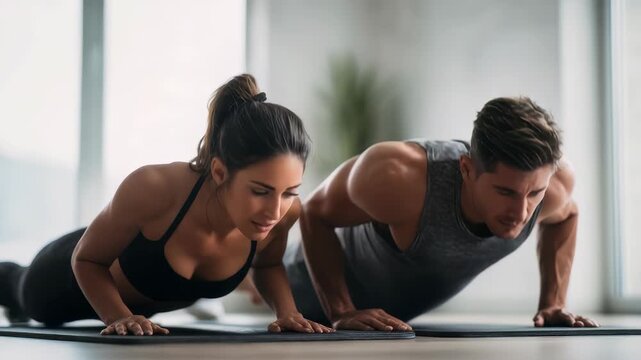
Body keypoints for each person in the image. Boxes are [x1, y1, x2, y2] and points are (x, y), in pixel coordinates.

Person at [0, 74, 333, 335]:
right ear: (219, 172)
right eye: (260, 191)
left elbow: (267, 265)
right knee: (14, 286)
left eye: (289, 191)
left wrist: (288, 313)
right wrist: (120, 318)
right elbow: (86, 259)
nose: (276, 210)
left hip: (142, 315)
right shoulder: (154, 187)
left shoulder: (286, 214)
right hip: (60, 284)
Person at [285, 96, 598, 331]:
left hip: (382, 315)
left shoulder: (555, 186)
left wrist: (553, 303)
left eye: (534, 194)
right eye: (505, 192)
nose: (521, 212)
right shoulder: (396, 175)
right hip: (295, 283)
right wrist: (341, 310)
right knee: (251, 270)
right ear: (467, 168)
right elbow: (312, 210)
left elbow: (566, 215)